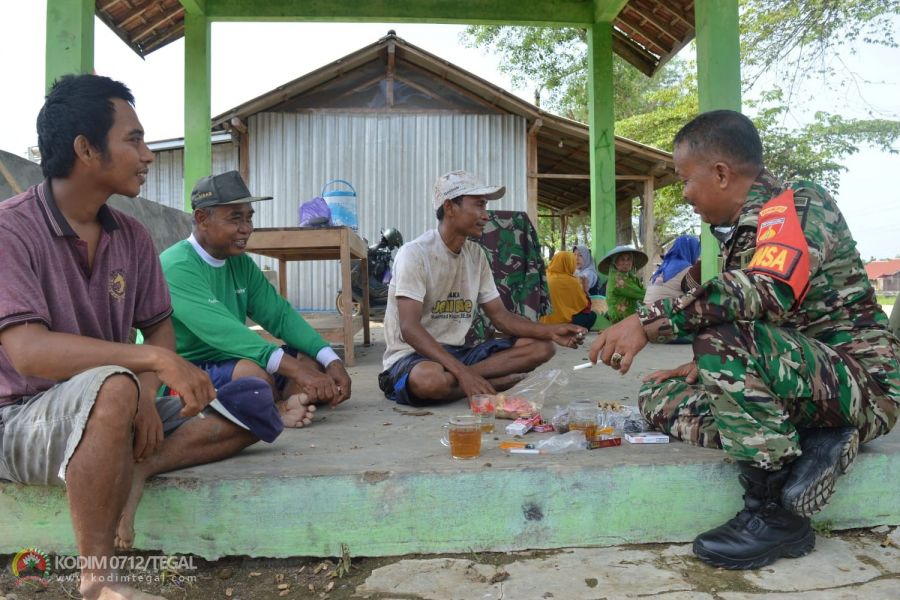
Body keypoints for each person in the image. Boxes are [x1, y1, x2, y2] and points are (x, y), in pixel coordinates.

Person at [589, 110, 899, 570]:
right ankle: (816, 441)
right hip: (806, 385)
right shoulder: (744, 231)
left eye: (684, 179)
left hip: (862, 386)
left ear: (720, 173)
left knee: (720, 339)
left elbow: (765, 293)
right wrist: (707, 371)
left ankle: (774, 511)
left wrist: (647, 321)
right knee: (659, 394)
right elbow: (770, 326)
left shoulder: (795, 206)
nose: (686, 194)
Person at [0, 75, 259, 600]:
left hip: (112, 404)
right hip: (21, 420)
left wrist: (147, 392)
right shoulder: (11, 230)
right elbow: (27, 350)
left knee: (254, 397)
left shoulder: (132, 235)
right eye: (134, 140)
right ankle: (96, 579)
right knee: (117, 384)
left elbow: (158, 325)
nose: (147, 155)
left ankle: (140, 463)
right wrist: (144, 371)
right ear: (86, 149)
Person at [161, 171, 352, 428]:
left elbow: (280, 315)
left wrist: (332, 360)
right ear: (202, 218)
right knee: (254, 376)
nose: (247, 228)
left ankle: (286, 400)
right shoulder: (176, 265)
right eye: (235, 219)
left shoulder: (240, 263)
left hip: (237, 358)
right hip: (187, 369)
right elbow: (225, 333)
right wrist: (298, 372)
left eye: (249, 217)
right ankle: (277, 406)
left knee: (311, 356)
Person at [379, 170, 587, 405]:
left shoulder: (475, 254)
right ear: (450, 207)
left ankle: (461, 381)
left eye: (485, 207)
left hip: (460, 352)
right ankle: (485, 382)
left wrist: (552, 331)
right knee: (428, 380)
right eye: (479, 205)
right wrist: (463, 372)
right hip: (413, 357)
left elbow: (501, 317)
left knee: (542, 348)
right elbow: (409, 328)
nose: (485, 216)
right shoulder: (414, 254)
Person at [541, 251, 597, 329]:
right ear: (570, 263)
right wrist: (585, 290)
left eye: (580, 255)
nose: (577, 259)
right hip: (561, 325)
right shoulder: (572, 281)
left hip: (542, 323)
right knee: (592, 316)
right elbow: (585, 307)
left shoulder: (544, 277)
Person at [597, 245, 648, 323]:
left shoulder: (630, 276)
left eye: (629, 259)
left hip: (629, 316)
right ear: (615, 262)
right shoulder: (618, 279)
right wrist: (657, 293)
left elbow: (641, 290)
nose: (626, 263)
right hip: (620, 319)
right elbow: (640, 294)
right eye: (622, 259)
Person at [644, 235, 700, 304]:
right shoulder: (686, 268)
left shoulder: (664, 266)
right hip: (661, 312)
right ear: (693, 250)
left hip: (645, 311)